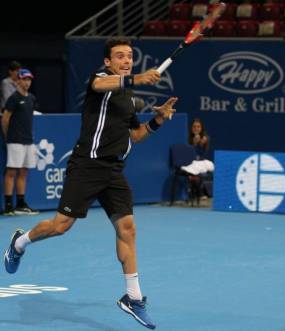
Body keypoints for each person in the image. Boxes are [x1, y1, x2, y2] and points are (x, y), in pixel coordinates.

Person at [4, 37, 177, 330]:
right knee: (61, 226)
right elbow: (101, 86)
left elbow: (135, 136)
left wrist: (157, 121)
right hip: (86, 166)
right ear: (108, 62)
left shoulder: (127, 96)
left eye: (129, 57)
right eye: (119, 57)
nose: (126, 60)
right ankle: (20, 242)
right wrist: (136, 78)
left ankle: (133, 298)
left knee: (128, 229)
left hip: (114, 171)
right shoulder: (101, 80)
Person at [1, 68, 39, 216]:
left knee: (24, 172)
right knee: (11, 172)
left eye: (29, 80)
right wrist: (7, 137)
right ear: (18, 81)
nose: (27, 82)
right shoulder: (14, 98)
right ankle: (9, 206)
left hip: (28, 140)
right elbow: (5, 119)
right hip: (15, 140)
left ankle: (21, 204)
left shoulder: (31, 98)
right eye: (24, 79)